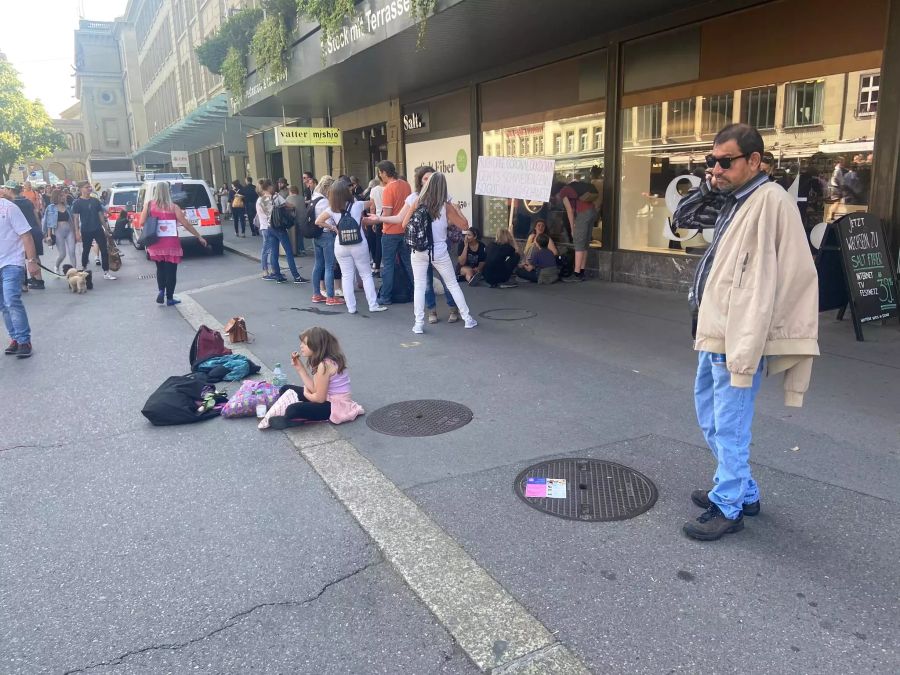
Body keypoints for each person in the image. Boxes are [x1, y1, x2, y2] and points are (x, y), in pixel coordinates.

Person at [673, 123, 819, 541]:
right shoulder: (731, 198)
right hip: (713, 328)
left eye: (725, 161)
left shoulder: (771, 201)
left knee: (729, 424)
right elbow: (681, 220)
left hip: (738, 333)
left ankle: (728, 505)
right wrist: (708, 184)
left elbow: (787, 275)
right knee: (712, 417)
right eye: (711, 161)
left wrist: (757, 336)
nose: (716, 168)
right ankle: (744, 490)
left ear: (755, 161)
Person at [369, 165, 459, 323]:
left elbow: (454, 219)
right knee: (426, 282)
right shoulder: (414, 198)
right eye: (425, 178)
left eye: (431, 178)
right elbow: (399, 219)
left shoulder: (444, 197)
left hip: (439, 245)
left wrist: (451, 218)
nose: (429, 181)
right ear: (420, 181)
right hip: (421, 245)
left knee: (448, 281)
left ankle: (453, 308)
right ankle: (431, 311)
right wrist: (379, 219)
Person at [402, 171, 478, 334]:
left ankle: (418, 323)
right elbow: (465, 225)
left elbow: (404, 224)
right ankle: (467, 319)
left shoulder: (417, 202)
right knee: (452, 284)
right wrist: (457, 210)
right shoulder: (445, 206)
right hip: (439, 250)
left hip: (419, 249)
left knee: (420, 286)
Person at [262, 327, 364, 430]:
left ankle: (293, 420)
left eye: (305, 343)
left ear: (316, 346)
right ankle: (296, 410)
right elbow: (315, 389)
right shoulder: (324, 362)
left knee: (292, 410)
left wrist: (307, 394)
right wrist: (300, 368)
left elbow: (319, 399)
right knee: (286, 388)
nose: (301, 346)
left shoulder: (325, 365)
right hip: (327, 398)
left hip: (335, 407)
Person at [315, 181, 387, 314]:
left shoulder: (331, 208)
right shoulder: (357, 205)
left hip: (341, 244)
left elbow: (318, 221)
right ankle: (373, 304)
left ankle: (351, 307)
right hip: (359, 244)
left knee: (347, 276)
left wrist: (333, 228)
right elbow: (370, 203)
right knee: (366, 275)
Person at [140, 181, 207, 305]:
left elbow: (142, 222)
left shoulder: (149, 205)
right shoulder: (174, 207)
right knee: (171, 271)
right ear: (168, 192)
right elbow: (186, 224)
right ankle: (170, 298)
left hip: (155, 242)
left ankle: (161, 290)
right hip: (171, 243)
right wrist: (199, 236)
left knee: (160, 268)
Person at [0, 187, 39, 358]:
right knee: (3, 305)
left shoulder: (9, 208)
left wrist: (31, 261)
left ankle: (24, 340)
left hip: (11, 262)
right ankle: (15, 338)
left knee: (11, 300)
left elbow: (26, 235)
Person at [368, 160, 412, 306]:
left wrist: (375, 219)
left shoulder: (388, 189)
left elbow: (387, 213)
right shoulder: (406, 185)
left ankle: (385, 296)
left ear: (385, 173)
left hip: (390, 232)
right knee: (408, 263)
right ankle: (415, 291)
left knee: (388, 265)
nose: (379, 175)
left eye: (379, 172)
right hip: (404, 230)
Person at [257, 179, 307, 284]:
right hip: (279, 227)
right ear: (269, 187)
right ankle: (296, 276)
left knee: (274, 253)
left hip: (269, 227)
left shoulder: (261, 200)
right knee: (288, 251)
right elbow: (289, 205)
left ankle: (278, 276)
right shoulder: (275, 196)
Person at [309, 176, 342, 305]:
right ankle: (330, 297)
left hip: (316, 235)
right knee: (329, 266)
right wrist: (333, 227)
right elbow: (327, 220)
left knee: (318, 265)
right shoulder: (324, 201)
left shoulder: (314, 198)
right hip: (326, 235)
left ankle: (316, 294)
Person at [72, 183, 115, 280]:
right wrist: (77, 232)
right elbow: (75, 218)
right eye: (86, 187)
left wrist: (106, 229)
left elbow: (101, 215)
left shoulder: (95, 201)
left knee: (104, 250)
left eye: (89, 187)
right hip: (86, 230)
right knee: (86, 250)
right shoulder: (77, 203)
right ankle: (83, 269)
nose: (89, 188)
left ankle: (106, 272)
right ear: (81, 189)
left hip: (98, 228)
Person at [558, 178, 599, 281]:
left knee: (579, 243)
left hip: (583, 213)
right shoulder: (574, 186)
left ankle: (576, 274)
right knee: (585, 243)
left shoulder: (563, 192)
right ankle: (581, 271)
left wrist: (572, 228)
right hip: (592, 211)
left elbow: (570, 211)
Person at [10, 185, 45, 289]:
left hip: (21, 232)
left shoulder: (11, 204)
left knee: (20, 258)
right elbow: (36, 215)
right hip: (34, 229)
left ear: (10, 190)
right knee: (35, 256)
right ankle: (38, 280)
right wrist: (40, 229)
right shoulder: (28, 201)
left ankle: (23, 284)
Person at [43, 189, 76, 273]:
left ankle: (74, 271)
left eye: (63, 195)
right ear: (56, 197)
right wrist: (49, 235)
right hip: (58, 232)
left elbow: (71, 220)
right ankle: (56, 266)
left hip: (69, 231)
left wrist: (75, 232)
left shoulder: (67, 206)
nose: (63, 197)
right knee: (62, 254)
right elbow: (49, 222)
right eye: (60, 195)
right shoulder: (51, 207)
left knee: (72, 252)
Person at [365, 177, 383, 275]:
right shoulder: (388, 188)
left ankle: (376, 266)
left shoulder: (374, 190)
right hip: (389, 217)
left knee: (378, 243)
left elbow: (372, 207)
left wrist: (372, 222)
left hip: (378, 217)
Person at [286, 185, 308, 256]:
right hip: (302, 220)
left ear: (291, 191)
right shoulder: (301, 198)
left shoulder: (288, 198)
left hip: (293, 220)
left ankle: (295, 250)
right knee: (300, 236)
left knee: (293, 236)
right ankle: (302, 250)